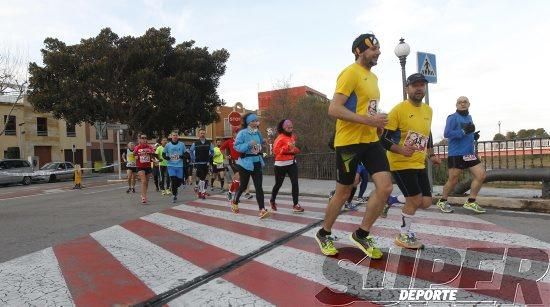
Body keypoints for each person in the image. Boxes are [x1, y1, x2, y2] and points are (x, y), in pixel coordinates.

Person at [315, 33, 393, 258]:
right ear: (359, 51)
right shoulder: (350, 73)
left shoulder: (374, 78)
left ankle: (361, 233)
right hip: (349, 143)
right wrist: (370, 120)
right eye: (372, 49)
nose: (377, 52)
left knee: (386, 187)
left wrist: (377, 123)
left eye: (378, 49)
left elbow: (365, 109)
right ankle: (324, 232)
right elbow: (334, 109)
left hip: (370, 141)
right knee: (344, 191)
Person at [380, 73, 442, 249]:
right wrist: (400, 150)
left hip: (419, 162)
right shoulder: (398, 110)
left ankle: (391, 200)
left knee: (426, 202)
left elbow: (427, 134)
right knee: (414, 200)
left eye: (422, 85)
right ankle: (403, 235)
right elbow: (382, 139)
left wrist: (431, 155)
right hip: (400, 163)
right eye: (415, 85)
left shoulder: (428, 110)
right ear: (407, 88)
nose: (419, 88)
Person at [436, 96, 486, 213]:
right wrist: (463, 132)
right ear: (456, 105)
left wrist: (473, 136)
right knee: (453, 180)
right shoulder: (452, 118)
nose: (462, 104)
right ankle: (442, 201)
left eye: (465, 102)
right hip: (456, 154)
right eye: (460, 102)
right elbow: (447, 133)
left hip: (469, 153)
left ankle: (471, 202)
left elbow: (468, 133)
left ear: (469, 104)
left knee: (481, 175)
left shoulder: (469, 117)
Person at [231, 113, 270, 219]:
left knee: (259, 187)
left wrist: (264, 142)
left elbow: (260, 143)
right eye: (253, 121)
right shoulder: (242, 133)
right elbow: (236, 147)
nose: (256, 122)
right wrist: (248, 144)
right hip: (245, 163)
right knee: (243, 185)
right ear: (248, 122)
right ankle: (235, 201)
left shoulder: (258, 133)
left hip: (257, 161)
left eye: (256, 120)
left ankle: (262, 209)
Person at [270, 119, 304, 213]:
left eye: (291, 127)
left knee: (295, 183)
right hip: (280, 165)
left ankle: (295, 204)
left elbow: (294, 149)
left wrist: (295, 150)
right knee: (278, 184)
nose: (290, 129)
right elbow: (276, 152)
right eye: (288, 127)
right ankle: (272, 200)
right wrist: (287, 148)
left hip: (292, 163)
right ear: (283, 128)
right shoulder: (279, 138)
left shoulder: (292, 137)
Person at [190, 128, 214, 199]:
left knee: (203, 177)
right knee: (202, 177)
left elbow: (212, 151)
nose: (202, 134)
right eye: (201, 133)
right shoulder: (195, 143)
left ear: (205, 134)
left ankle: (200, 191)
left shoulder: (209, 143)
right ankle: (203, 192)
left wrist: (209, 157)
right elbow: (191, 151)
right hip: (198, 162)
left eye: (203, 133)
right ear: (198, 134)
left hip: (206, 162)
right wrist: (193, 158)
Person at [163, 132, 186, 203]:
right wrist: (167, 158)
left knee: (178, 182)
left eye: (176, 135)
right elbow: (163, 154)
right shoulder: (168, 145)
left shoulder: (182, 144)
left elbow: (185, 153)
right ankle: (174, 195)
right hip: (171, 166)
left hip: (180, 166)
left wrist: (182, 156)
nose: (175, 136)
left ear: (178, 136)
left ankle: (176, 188)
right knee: (173, 180)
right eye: (173, 135)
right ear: (171, 136)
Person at [221, 127, 243, 202]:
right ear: (233, 133)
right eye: (237, 132)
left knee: (237, 179)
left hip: (242, 161)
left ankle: (230, 193)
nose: (238, 134)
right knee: (237, 177)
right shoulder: (229, 141)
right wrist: (225, 156)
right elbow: (221, 148)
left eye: (239, 132)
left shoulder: (241, 141)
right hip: (233, 161)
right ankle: (236, 196)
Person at [134, 134, 157, 204]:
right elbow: (134, 154)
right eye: (142, 138)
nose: (144, 139)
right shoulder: (137, 147)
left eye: (145, 138)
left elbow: (153, 156)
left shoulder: (150, 147)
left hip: (148, 166)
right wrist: (136, 157)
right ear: (140, 139)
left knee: (146, 183)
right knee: (143, 181)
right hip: (140, 166)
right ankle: (143, 197)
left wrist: (154, 160)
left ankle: (144, 195)